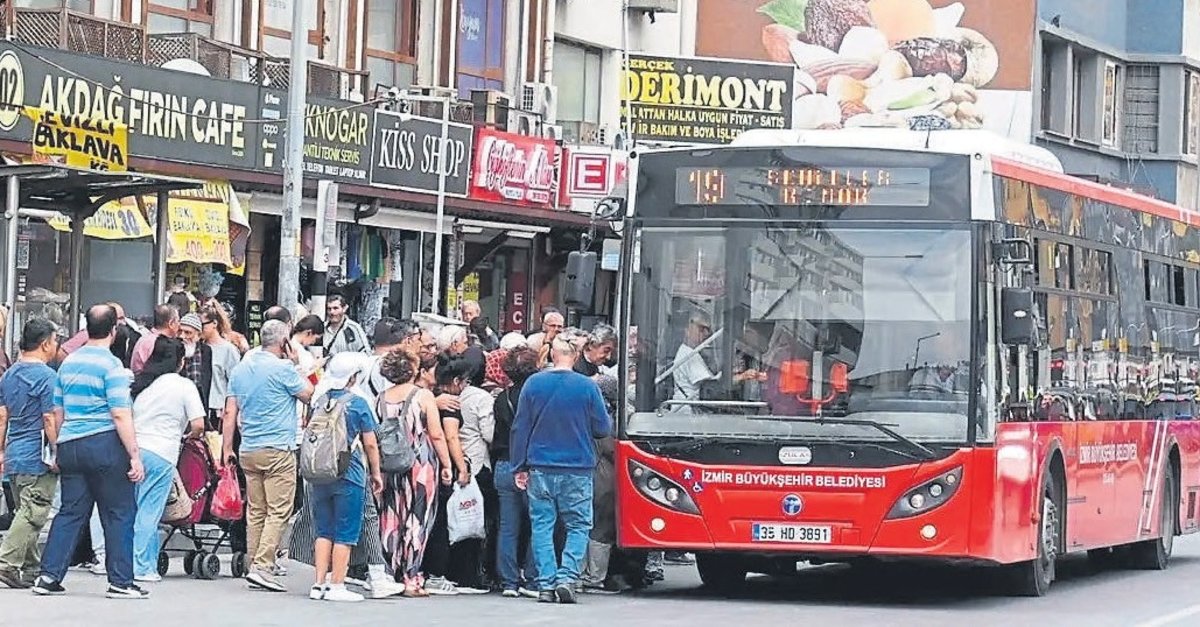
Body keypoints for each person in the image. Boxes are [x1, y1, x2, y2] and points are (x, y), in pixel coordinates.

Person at [34, 304, 148, 599]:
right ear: (113, 331)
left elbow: (58, 411)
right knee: (118, 512)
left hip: (71, 443)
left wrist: (60, 446)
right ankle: (121, 581)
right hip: (104, 443)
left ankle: (48, 576)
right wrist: (134, 455)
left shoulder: (68, 363)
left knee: (70, 512)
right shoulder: (112, 367)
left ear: (86, 329)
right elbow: (120, 414)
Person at [511, 337, 611, 604]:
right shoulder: (587, 386)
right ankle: (566, 578)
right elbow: (602, 428)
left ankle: (546, 583)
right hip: (577, 467)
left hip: (540, 466)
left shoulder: (533, 384)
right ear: (576, 355)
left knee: (542, 526)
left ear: (551, 355)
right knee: (579, 525)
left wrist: (519, 466)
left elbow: (520, 427)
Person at [222, 319, 314, 592]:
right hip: (277, 447)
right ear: (284, 343)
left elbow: (229, 411)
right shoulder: (283, 369)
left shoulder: (241, 368)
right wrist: (297, 364)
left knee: (256, 510)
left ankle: (255, 563)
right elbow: (309, 394)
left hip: (248, 447)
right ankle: (262, 566)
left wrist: (226, 447)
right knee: (279, 510)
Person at [306, 354, 384, 603]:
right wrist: (376, 473)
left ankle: (319, 583)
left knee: (324, 530)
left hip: (319, 472)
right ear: (352, 377)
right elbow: (370, 443)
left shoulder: (319, 400)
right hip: (349, 472)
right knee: (346, 531)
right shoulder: (358, 404)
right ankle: (337, 584)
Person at [377, 348, 453, 597]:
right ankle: (411, 577)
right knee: (418, 519)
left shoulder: (380, 398)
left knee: (391, 518)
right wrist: (447, 464)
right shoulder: (423, 396)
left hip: (390, 464)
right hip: (420, 464)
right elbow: (436, 434)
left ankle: (390, 573)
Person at [129, 337, 205, 583]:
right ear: (180, 362)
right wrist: (189, 435)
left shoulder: (143, 385)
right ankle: (142, 567)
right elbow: (198, 424)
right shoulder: (184, 386)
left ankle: (132, 562)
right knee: (150, 512)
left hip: (134, 451)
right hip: (161, 453)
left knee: (135, 509)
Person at [0, 318, 61, 589]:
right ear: (45, 344)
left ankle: (30, 567)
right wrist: (57, 452)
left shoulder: (9, 375)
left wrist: (2, 450)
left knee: (25, 511)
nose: (56, 346)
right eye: (55, 341)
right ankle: (7, 561)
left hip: (15, 451)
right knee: (33, 511)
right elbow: (49, 418)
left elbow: (2, 417)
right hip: (37, 454)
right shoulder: (48, 377)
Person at [420, 355, 477, 596]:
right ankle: (437, 574)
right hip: (441, 465)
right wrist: (460, 467)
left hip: (424, 464)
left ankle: (423, 570)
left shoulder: (430, 399)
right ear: (456, 381)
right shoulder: (451, 405)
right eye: (465, 382)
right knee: (441, 521)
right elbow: (451, 437)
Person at [491, 346, 540, 598]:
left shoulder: (502, 398)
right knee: (538, 524)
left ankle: (508, 581)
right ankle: (532, 578)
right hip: (530, 463)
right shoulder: (537, 396)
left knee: (508, 526)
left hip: (504, 462)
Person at [446, 354, 495, 593]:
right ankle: (469, 575)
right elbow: (489, 434)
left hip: (452, 461)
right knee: (474, 518)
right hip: (475, 463)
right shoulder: (481, 398)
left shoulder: (442, 397)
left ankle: (451, 571)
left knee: (454, 517)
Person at [581, 375, 620, 594]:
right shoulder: (605, 417)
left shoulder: (580, 411)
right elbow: (612, 449)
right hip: (603, 477)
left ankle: (577, 574)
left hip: (583, 473)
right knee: (601, 529)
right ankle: (594, 578)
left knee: (580, 525)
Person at [201, 304, 242, 430]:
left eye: (203, 325)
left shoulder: (228, 350)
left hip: (218, 409)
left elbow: (236, 383)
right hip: (199, 408)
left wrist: (231, 407)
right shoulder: (198, 348)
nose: (200, 329)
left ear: (214, 323)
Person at [131, 305, 181, 375]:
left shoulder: (144, 340)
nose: (179, 325)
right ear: (171, 323)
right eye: (178, 321)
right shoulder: (158, 344)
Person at [178, 313, 214, 409]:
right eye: (180, 331)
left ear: (198, 334)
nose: (182, 336)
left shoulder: (206, 350)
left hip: (199, 399)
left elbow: (207, 378)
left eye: (188, 332)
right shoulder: (175, 348)